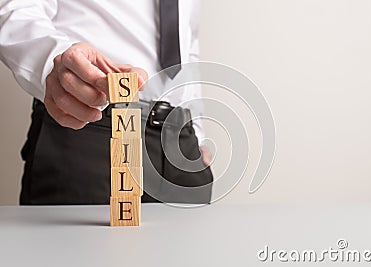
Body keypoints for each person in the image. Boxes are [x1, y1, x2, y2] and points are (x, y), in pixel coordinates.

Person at [0, 0, 213, 204]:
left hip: (181, 142)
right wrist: (53, 64)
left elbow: (187, 44)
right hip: (89, 126)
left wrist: (198, 132)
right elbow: (15, 8)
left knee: (190, 241)